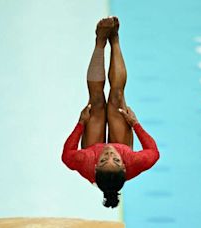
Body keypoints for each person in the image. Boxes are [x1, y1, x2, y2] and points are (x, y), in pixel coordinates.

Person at [62, 16, 160, 208]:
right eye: (115, 159)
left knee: (96, 101)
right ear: (124, 165)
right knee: (116, 97)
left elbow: (67, 154)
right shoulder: (134, 162)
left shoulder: (85, 162)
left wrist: (80, 124)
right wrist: (135, 124)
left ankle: (99, 42)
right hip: (122, 145)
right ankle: (114, 38)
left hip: (91, 147)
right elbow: (154, 152)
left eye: (104, 158)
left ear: (96, 165)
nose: (109, 151)